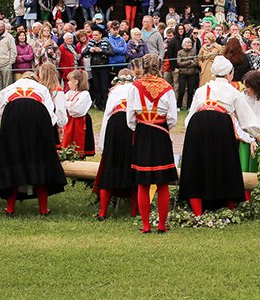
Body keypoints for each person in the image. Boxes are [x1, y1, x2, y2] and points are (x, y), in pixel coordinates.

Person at [181, 56, 260, 216]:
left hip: (197, 123)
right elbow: (247, 121)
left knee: (196, 164)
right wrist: (258, 138)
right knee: (226, 162)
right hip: (220, 123)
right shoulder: (233, 91)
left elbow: (189, 117)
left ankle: (197, 210)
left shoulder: (201, 90)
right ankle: (229, 206)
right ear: (229, 74)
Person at [0, 72, 66, 217]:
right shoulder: (42, 89)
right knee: (40, 163)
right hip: (38, 119)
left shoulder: (9, 89)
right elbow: (52, 117)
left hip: (13, 121)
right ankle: (43, 209)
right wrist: (46, 134)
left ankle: (10, 209)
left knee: (13, 161)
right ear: (36, 80)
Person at [126, 54, 178, 233]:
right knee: (162, 182)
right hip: (161, 132)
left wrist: (140, 125)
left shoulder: (135, 87)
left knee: (143, 181)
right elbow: (172, 117)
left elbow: (129, 118)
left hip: (142, 132)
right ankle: (162, 225)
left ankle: (146, 225)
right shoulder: (167, 87)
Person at [93, 69, 138, 220]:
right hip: (132, 125)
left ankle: (103, 212)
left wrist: (104, 143)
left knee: (110, 165)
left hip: (115, 123)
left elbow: (107, 115)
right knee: (133, 164)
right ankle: (133, 211)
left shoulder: (115, 92)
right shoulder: (136, 89)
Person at [61, 69, 95, 158]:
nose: (68, 83)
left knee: (78, 143)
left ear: (76, 81)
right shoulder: (69, 93)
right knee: (67, 140)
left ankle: (79, 157)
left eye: (69, 81)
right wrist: (69, 105)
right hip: (69, 121)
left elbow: (76, 110)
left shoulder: (85, 94)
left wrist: (68, 105)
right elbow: (62, 103)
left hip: (80, 122)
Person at [82, 29, 113, 109]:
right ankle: (99, 104)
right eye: (93, 35)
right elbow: (83, 53)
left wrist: (101, 50)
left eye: (96, 35)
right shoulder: (91, 43)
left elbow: (112, 52)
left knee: (104, 87)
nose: (94, 37)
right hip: (94, 68)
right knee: (96, 86)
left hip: (104, 67)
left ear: (100, 35)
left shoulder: (105, 42)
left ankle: (105, 104)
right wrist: (89, 50)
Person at [175, 38, 199, 108]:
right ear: (184, 44)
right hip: (182, 74)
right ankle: (178, 106)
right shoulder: (180, 52)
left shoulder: (193, 52)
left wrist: (185, 63)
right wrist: (189, 61)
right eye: (188, 43)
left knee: (191, 91)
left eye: (190, 43)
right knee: (181, 90)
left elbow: (195, 63)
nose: (189, 44)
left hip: (192, 74)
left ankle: (189, 106)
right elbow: (179, 63)